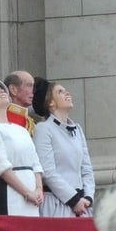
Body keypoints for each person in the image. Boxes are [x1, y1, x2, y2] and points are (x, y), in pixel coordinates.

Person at [0, 76, 43, 216]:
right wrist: (26, 192)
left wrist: (38, 189)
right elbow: (1, 166)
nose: (1, 92)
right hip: (8, 190)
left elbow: (35, 162)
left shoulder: (21, 129)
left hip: (31, 192)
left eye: (1, 89)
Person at [32, 78, 95, 217]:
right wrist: (73, 199)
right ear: (51, 103)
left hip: (82, 206)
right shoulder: (43, 129)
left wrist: (88, 197)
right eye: (60, 92)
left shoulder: (77, 129)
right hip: (57, 204)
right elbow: (48, 172)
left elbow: (86, 169)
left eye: (66, 90)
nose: (67, 93)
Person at [3, 70, 36, 135]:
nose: (34, 91)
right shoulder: (3, 119)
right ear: (13, 89)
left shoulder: (28, 120)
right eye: (29, 86)